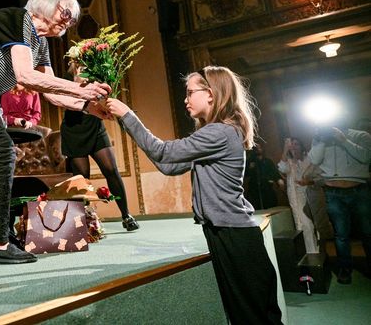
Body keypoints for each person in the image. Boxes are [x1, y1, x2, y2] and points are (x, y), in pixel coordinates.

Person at [0, 0, 111, 265]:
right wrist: (82, 91)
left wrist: (90, 107)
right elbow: (25, 76)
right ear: (45, 5)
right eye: (66, 12)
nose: (69, 21)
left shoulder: (39, 44)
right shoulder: (18, 19)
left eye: (72, 18)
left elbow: (52, 94)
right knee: (3, 150)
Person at [105, 65, 282, 324]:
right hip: (227, 231)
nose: (185, 99)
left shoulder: (219, 132)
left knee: (251, 317)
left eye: (190, 92)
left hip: (234, 234)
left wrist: (128, 114)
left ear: (211, 94)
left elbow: (164, 153)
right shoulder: (215, 132)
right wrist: (124, 120)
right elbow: (169, 165)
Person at [61, 60, 139, 231]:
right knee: (82, 178)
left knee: (111, 169)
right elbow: (65, 98)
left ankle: (126, 215)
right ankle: (85, 223)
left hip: (94, 126)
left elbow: (103, 94)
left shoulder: (96, 71)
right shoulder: (68, 74)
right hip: (74, 128)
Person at [307, 120, 371, 284]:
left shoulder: (361, 135)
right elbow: (314, 160)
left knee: (367, 232)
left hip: (359, 191)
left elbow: (366, 157)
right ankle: (345, 268)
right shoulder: (319, 138)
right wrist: (320, 139)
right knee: (341, 234)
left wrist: (343, 139)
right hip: (333, 192)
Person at [277, 137, 319, 253]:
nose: (293, 147)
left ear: (301, 146)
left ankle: (319, 254)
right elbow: (282, 168)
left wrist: (308, 182)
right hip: (298, 199)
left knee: (317, 227)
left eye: (296, 144)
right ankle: (310, 255)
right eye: (291, 145)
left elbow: (319, 177)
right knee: (305, 225)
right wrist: (285, 150)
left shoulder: (309, 160)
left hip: (313, 196)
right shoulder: (289, 163)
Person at [244, 142, 283, 210]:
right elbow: (245, 174)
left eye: (260, 147)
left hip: (267, 189)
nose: (258, 149)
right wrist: (249, 168)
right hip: (254, 191)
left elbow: (274, 172)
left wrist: (279, 180)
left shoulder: (268, 161)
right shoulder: (250, 161)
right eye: (256, 148)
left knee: (271, 208)